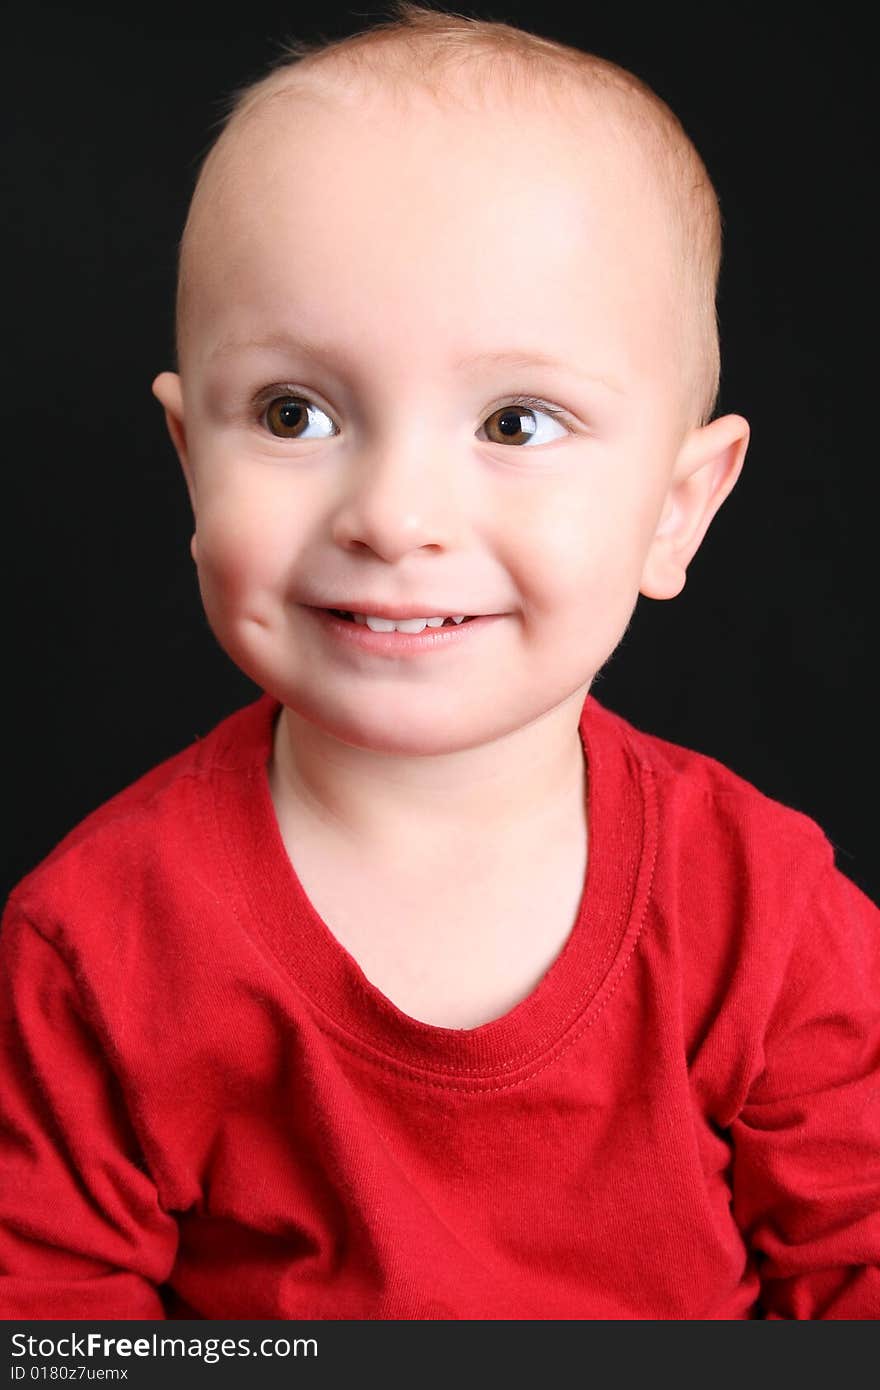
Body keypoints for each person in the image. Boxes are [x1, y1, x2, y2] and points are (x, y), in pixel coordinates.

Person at [1, 2, 877, 1321]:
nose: (394, 513)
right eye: (296, 412)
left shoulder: (767, 912)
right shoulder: (94, 946)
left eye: (516, 420)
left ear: (677, 507)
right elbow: (58, 1338)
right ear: (192, 463)